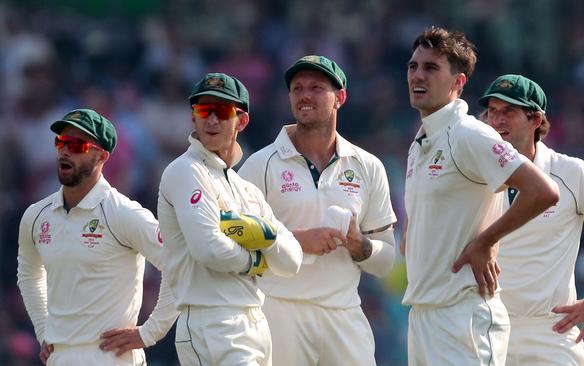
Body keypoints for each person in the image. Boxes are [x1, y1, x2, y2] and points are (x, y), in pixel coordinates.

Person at [400, 26, 560, 366]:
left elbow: (544, 191)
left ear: (458, 83)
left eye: (431, 68)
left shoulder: (469, 134)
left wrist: (485, 241)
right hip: (424, 316)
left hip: (464, 317)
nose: (418, 75)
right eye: (413, 66)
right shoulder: (421, 142)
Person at [238, 55, 397, 366]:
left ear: (340, 97)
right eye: (297, 89)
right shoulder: (261, 164)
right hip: (279, 310)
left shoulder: (367, 166)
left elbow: (386, 261)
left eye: (316, 87)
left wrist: (359, 246)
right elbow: (234, 235)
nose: (305, 95)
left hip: (343, 312)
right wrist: (296, 240)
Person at [479, 74, 584, 365]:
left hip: (550, 333)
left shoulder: (572, 173)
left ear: (535, 120)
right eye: (492, 111)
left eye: (509, 111)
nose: (497, 120)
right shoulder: (474, 176)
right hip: (485, 329)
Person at [157, 72, 303, 366]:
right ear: (193, 118)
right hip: (211, 321)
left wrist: (268, 233)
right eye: (203, 111)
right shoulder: (186, 171)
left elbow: (293, 261)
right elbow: (208, 248)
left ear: (242, 121)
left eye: (222, 112)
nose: (212, 121)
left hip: (254, 322)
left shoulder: (244, 188)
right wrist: (256, 260)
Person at [17, 108, 179, 365]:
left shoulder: (123, 213)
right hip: (60, 357)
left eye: (77, 145)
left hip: (112, 358)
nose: (65, 151)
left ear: (101, 156)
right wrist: (43, 330)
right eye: (61, 142)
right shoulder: (36, 216)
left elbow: (178, 264)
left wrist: (150, 332)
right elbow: (29, 275)